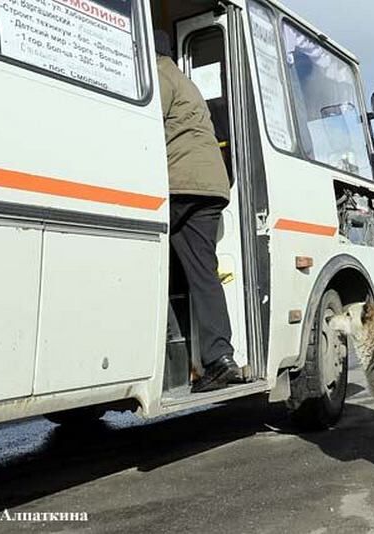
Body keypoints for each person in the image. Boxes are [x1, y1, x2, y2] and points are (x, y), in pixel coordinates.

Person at [154, 30, 240, 393]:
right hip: (212, 186)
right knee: (202, 272)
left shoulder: (158, 73)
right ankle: (220, 360)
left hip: (182, 183)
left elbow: (145, 122)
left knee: (145, 257)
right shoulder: (186, 81)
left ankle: (157, 356)